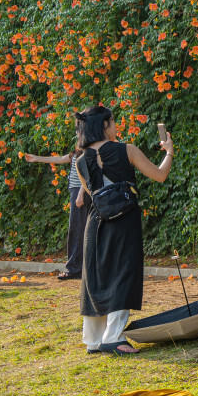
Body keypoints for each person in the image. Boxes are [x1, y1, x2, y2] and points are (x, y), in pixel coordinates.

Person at [73, 106, 174, 355]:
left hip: (95, 221)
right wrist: (169, 152)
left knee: (97, 276)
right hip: (124, 220)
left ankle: (95, 340)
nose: (116, 126)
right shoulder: (126, 150)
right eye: (113, 122)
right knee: (123, 274)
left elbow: (90, 191)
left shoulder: (79, 160)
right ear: (104, 125)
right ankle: (114, 337)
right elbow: (159, 175)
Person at [24, 148, 86, 280]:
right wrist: (36, 157)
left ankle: (74, 269)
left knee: (77, 230)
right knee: (78, 230)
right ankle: (78, 268)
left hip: (80, 193)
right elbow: (59, 159)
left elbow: (88, 174)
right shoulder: (77, 152)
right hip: (76, 192)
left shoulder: (88, 151)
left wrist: (80, 194)